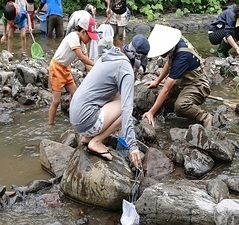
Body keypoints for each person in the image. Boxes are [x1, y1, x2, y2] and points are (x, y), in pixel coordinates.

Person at [69, 34, 150, 168]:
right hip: (86, 119)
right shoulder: (126, 69)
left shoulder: (111, 56)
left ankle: (87, 137)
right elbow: (127, 109)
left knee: (119, 95)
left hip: (76, 117)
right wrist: (132, 146)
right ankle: (96, 141)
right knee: (126, 106)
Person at [143, 24, 213, 128]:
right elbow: (169, 62)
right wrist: (157, 81)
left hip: (197, 85)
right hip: (183, 81)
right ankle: (190, 105)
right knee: (161, 99)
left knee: (180, 106)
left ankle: (204, 117)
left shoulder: (182, 56)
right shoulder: (175, 45)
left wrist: (151, 112)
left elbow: (166, 90)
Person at [48, 15, 98, 125]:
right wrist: (96, 64)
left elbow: (86, 63)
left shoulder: (82, 43)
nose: (89, 40)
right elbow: (81, 57)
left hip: (65, 68)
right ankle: (50, 124)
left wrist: (95, 73)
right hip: (56, 67)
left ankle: (73, 117)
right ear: (83, 32)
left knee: (74, 94)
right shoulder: (73, 37)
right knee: (56, 101)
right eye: (89, 37)